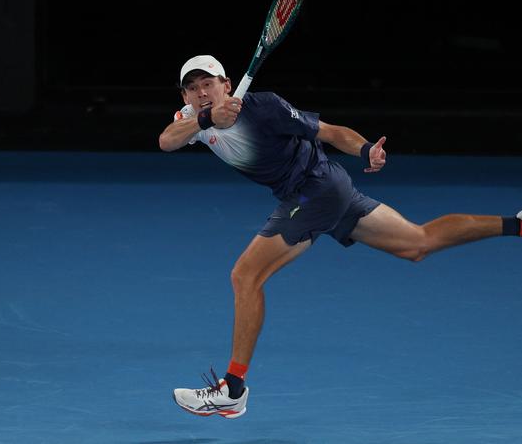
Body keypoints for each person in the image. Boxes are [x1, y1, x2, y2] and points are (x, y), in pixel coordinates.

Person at [159, 54, 521, 419]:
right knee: (417, 243)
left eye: (208, 84)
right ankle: (517, 224)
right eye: (192, 88)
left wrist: (365, 149)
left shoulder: (264, 107)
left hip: (315, 188)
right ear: (185, 96)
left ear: (227, 84)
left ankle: (232, 390)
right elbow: (166, 141)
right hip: (323, 193)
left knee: (246, 276)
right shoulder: (192, 119)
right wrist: (207, 118)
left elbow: (329, 132)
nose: (202, 92)